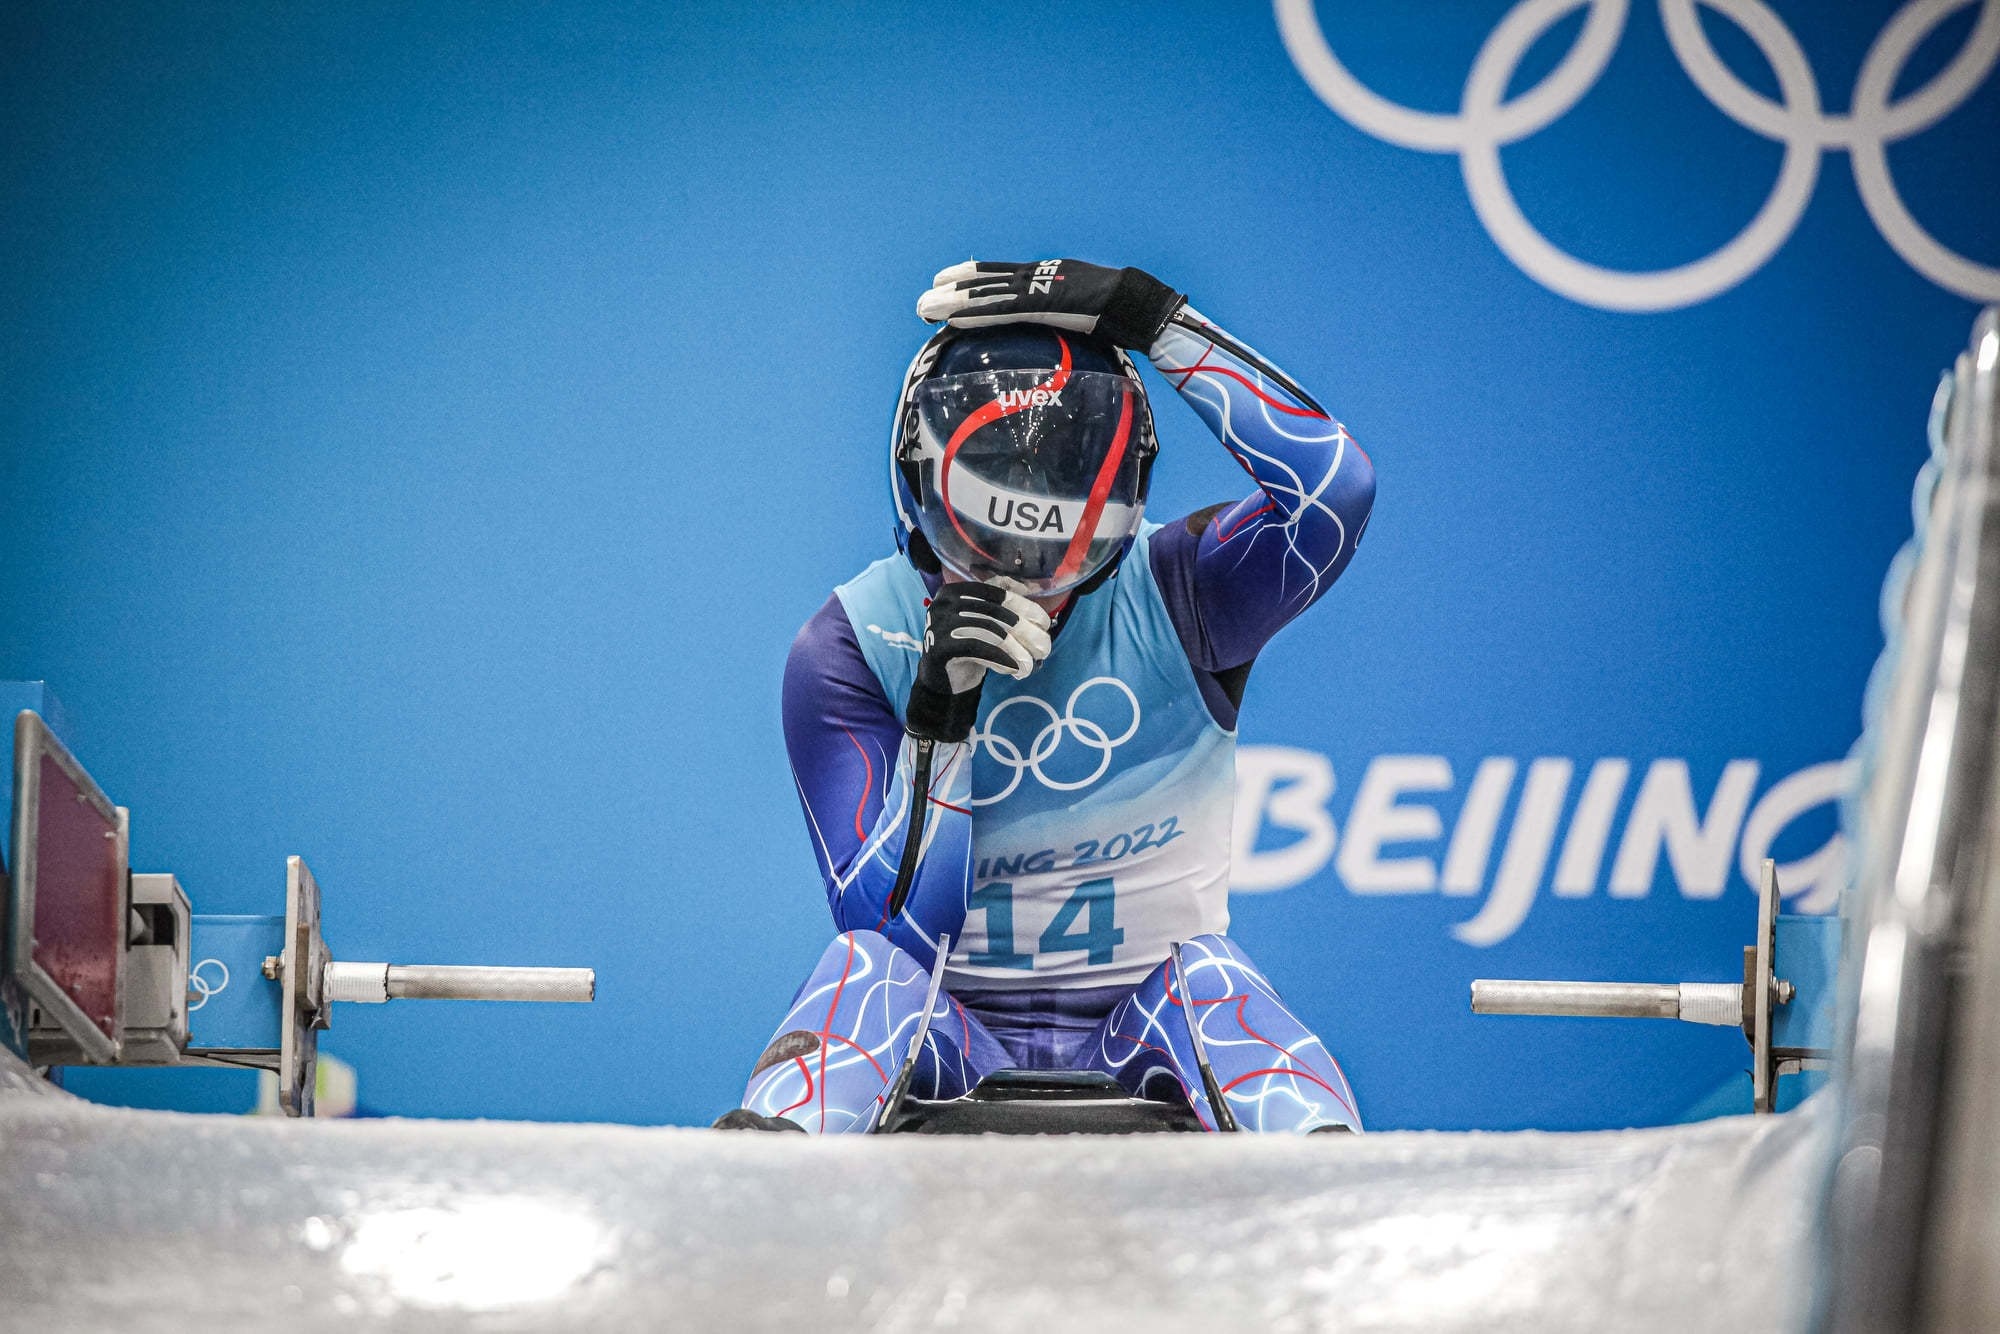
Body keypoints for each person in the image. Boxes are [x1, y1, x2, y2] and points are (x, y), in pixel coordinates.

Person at [717, 258, 1375, 1133]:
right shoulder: (848, 645)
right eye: (986, 547)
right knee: (859, 980)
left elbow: (1336, 491)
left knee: (1219, 984)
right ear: (924, 499)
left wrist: (1151, 316)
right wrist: (940, 715)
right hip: (947, 1030)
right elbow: (891, 937)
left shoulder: (1186, 591)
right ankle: (762, 1205)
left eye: (1070, 560)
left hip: (1151, 1016)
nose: (1032, 586)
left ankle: (1336, 1224)